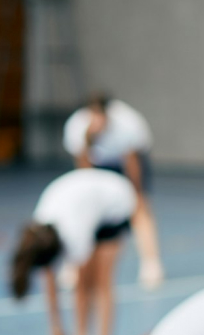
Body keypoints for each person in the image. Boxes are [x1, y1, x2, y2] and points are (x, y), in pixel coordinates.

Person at [10, 168, 136, 335]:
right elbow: (48, 279)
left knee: (100, 281)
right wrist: (56, 328)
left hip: (115, 201)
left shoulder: (75, 235)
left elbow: (82, 288)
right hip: (85, 199)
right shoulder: (39, 231)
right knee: (89, 284)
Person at [63, 93, 163, 290]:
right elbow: (83, 171)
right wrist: (88, 139)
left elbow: (132, 165)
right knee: (84, 213)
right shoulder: (76, 127)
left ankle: (151, 264)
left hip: (124, 163)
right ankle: (74, 265)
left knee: (139, 208)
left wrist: (136, 194)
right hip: (97, 165)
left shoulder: (127, 124)